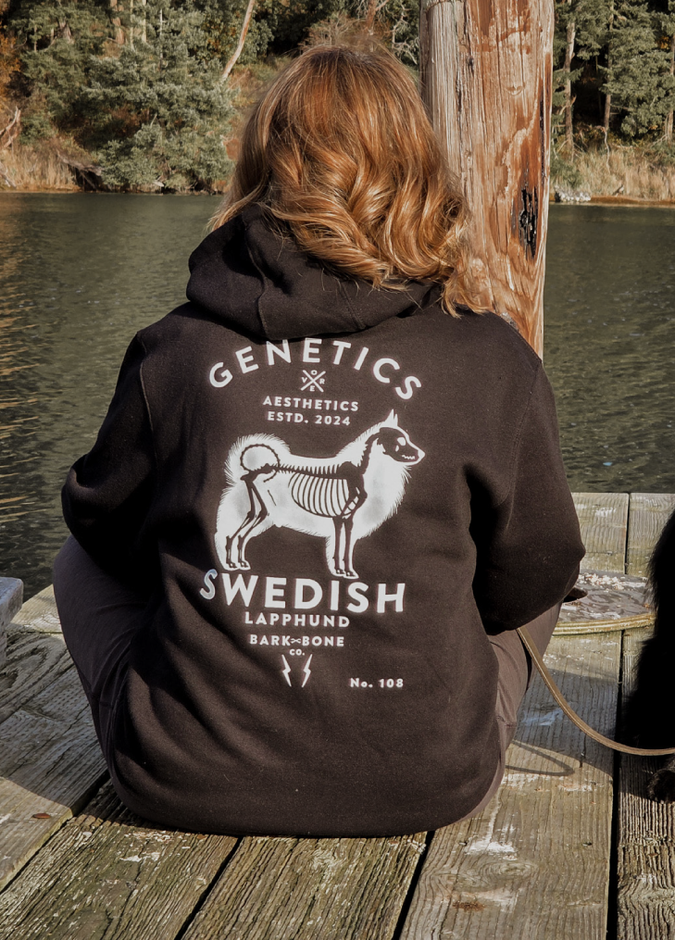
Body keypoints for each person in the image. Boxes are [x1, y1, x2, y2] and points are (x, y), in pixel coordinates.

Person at [55, 44, 584, 837]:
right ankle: (407, 724)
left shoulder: (176, 350)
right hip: (427, 784)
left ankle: (192, 718)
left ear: (261, 170)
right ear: (420, 173)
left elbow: (101, 522)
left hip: (180, 776)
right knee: (537, 583)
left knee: (74, 560)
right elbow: (537, 567)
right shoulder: (492, 360)